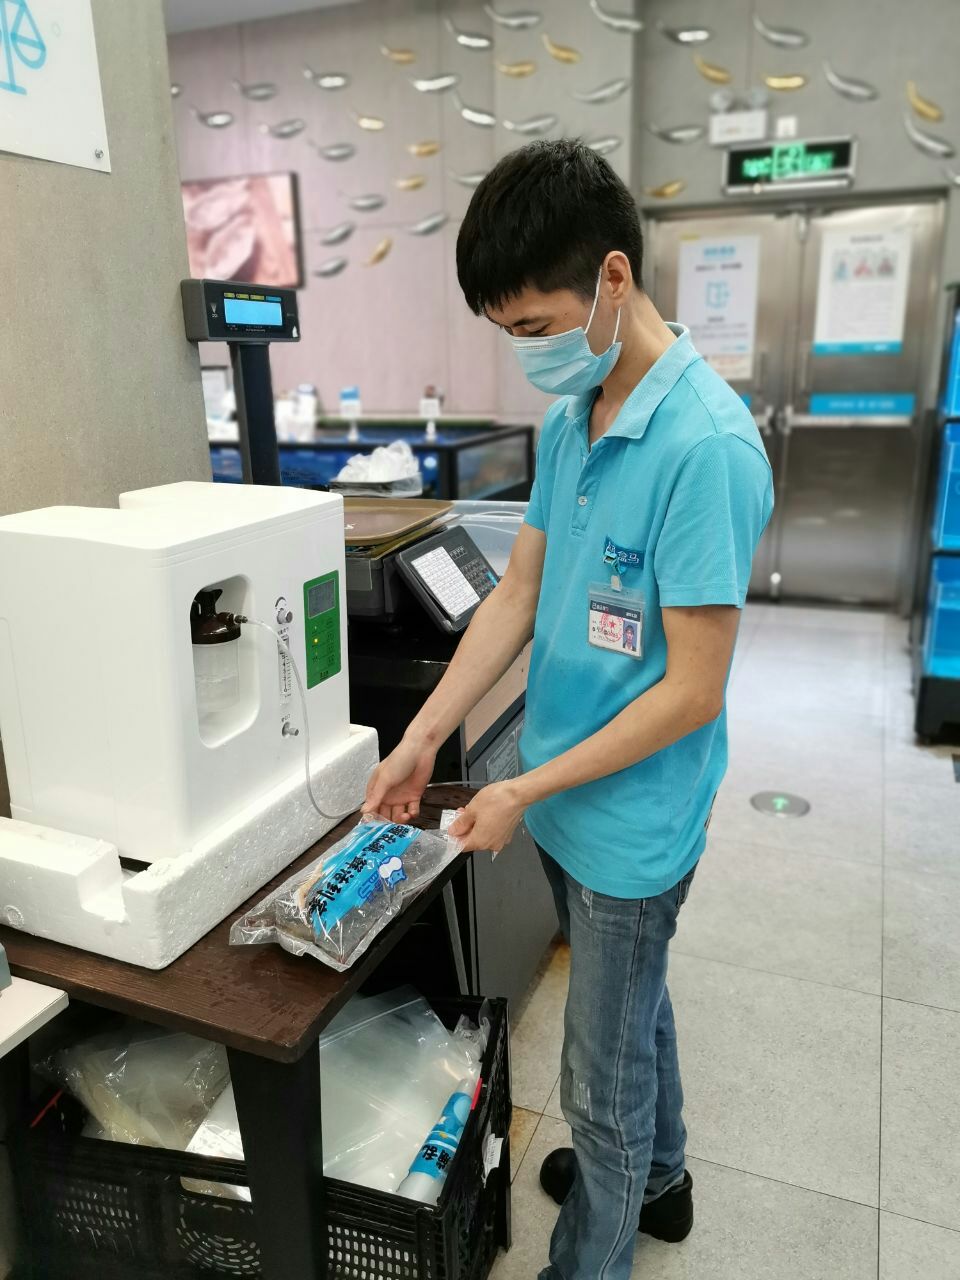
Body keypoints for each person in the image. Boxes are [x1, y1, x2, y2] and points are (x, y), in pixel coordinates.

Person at [364, 139, 774, 1280]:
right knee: (629, 1005)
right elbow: (520, 593)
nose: (526, 351)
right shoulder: (574, 417)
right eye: (507, 332)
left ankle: (591, 1256)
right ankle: (662, 1181)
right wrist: (426, 733)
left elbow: (693, 690)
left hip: (633, 824)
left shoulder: (706, 449)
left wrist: (524, 786)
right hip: (559, 799)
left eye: (535, 325)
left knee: (599, 1082)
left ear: (613, 278)